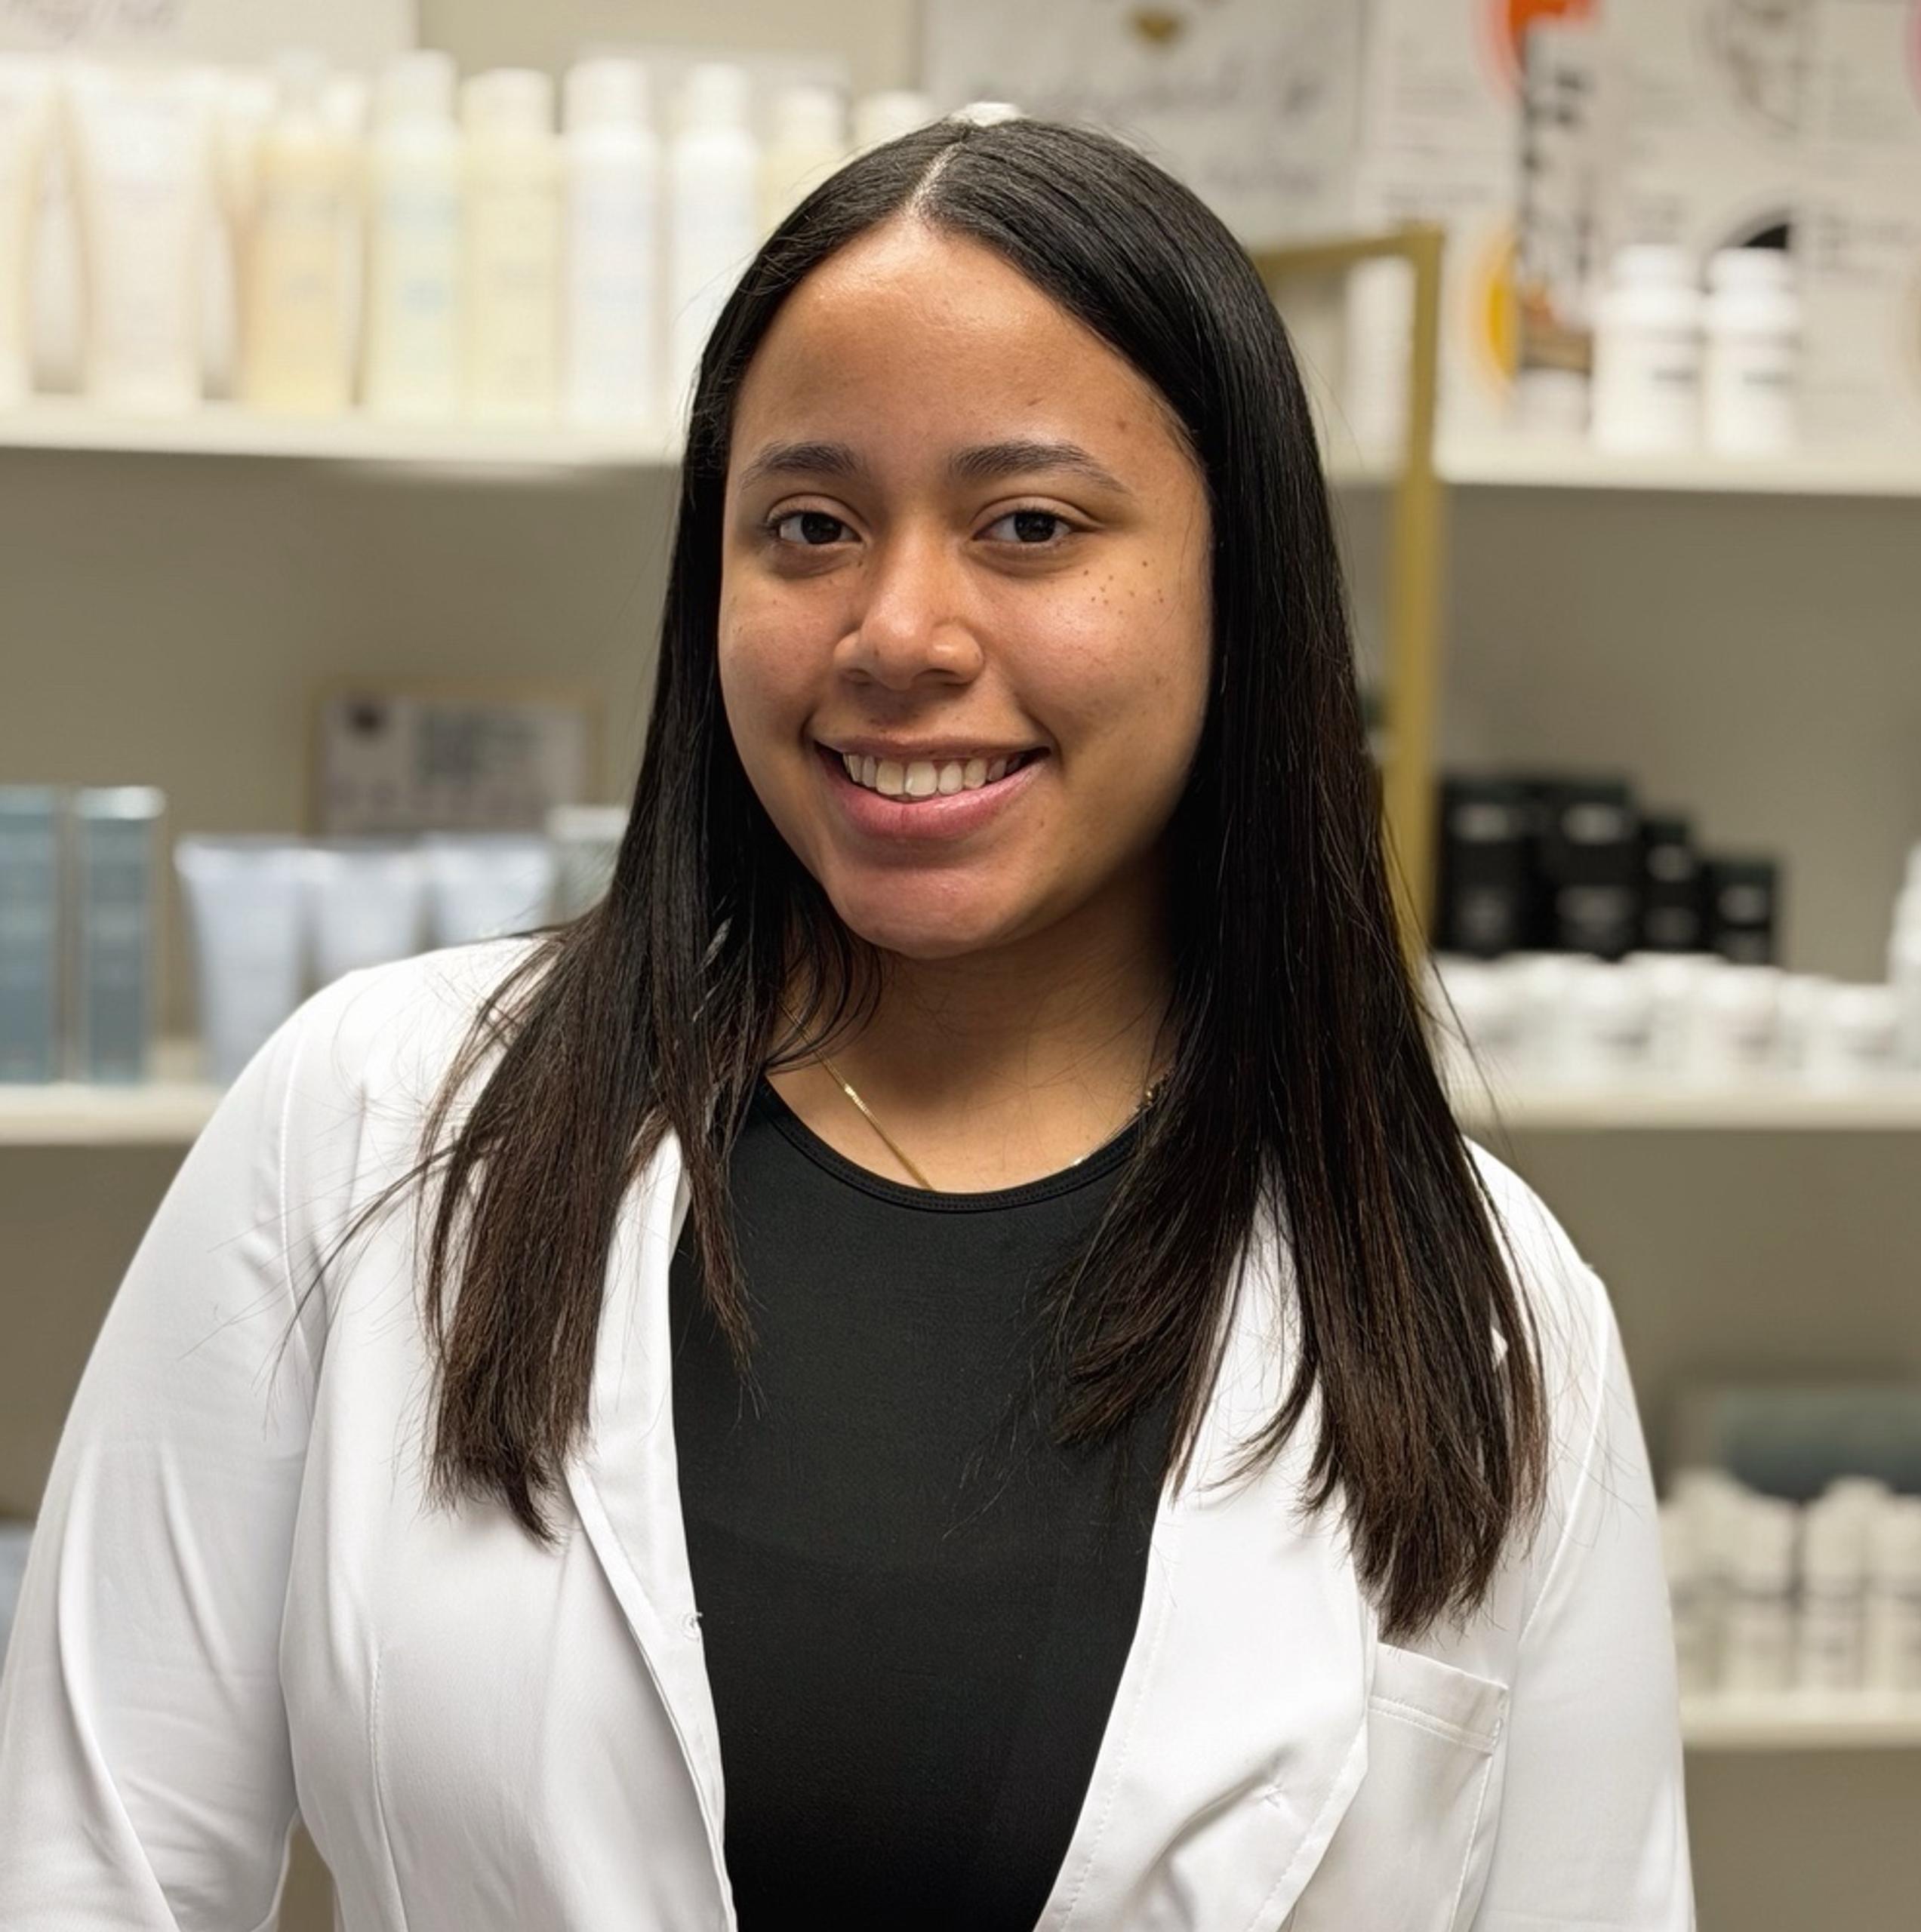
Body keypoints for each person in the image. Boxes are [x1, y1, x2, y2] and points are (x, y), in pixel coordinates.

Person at [0, 115, 1692, 1930]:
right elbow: (94, 1872)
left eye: (1027, 524)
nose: (897, 628)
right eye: (806, 525)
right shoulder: (373, 1124)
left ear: (1237, 586)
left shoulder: (1489, 1318)